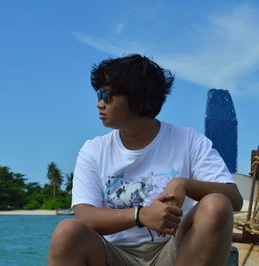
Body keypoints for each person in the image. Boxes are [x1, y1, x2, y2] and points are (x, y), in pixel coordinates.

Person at [48, 54, 243, 266]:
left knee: (217, 204)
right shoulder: (94, 150)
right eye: (98, 94)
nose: (99, 104)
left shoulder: (188, 141)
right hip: (115, 254)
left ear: (138, 97)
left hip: (174, 251)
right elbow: (85, 216)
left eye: (106, 94)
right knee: (67, 232)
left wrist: (183, 184)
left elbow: (234, 199)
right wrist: (140, 215)